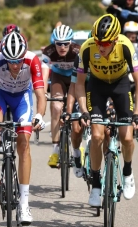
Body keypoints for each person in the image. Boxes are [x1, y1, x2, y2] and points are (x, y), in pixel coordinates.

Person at [0, 31, 46, 225]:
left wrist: (39, 116)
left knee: (23, 144)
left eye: (18, 61)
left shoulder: (32, 61)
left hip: (22, 97)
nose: (15, 66)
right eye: (11, 61)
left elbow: (40, 95)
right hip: (1, 94)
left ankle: (24, 203)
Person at [75, 14, 138, 207]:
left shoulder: (125, 46)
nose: (100, 46)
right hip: (96, 87)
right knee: (97, 136)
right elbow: (80, 84)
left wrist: (137, 113)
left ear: (115, 39)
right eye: (97, 41)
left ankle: (128, 172)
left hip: (120, 85)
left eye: (105, 43)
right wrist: (84, 111)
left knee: (128, 137)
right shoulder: (87, 48)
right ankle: (96, 184)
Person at [42, 24, 83, 176]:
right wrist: (43, 91)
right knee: (56, 107)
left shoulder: (78, 51)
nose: (62, 47)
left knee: (76, 125)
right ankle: (55, 150)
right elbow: (45, 74)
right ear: (54, 43)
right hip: (58, 78)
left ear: (71, 42)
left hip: (75, 80)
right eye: (59, 43)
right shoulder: (49, 52)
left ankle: (77, 151)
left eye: (66, 43)